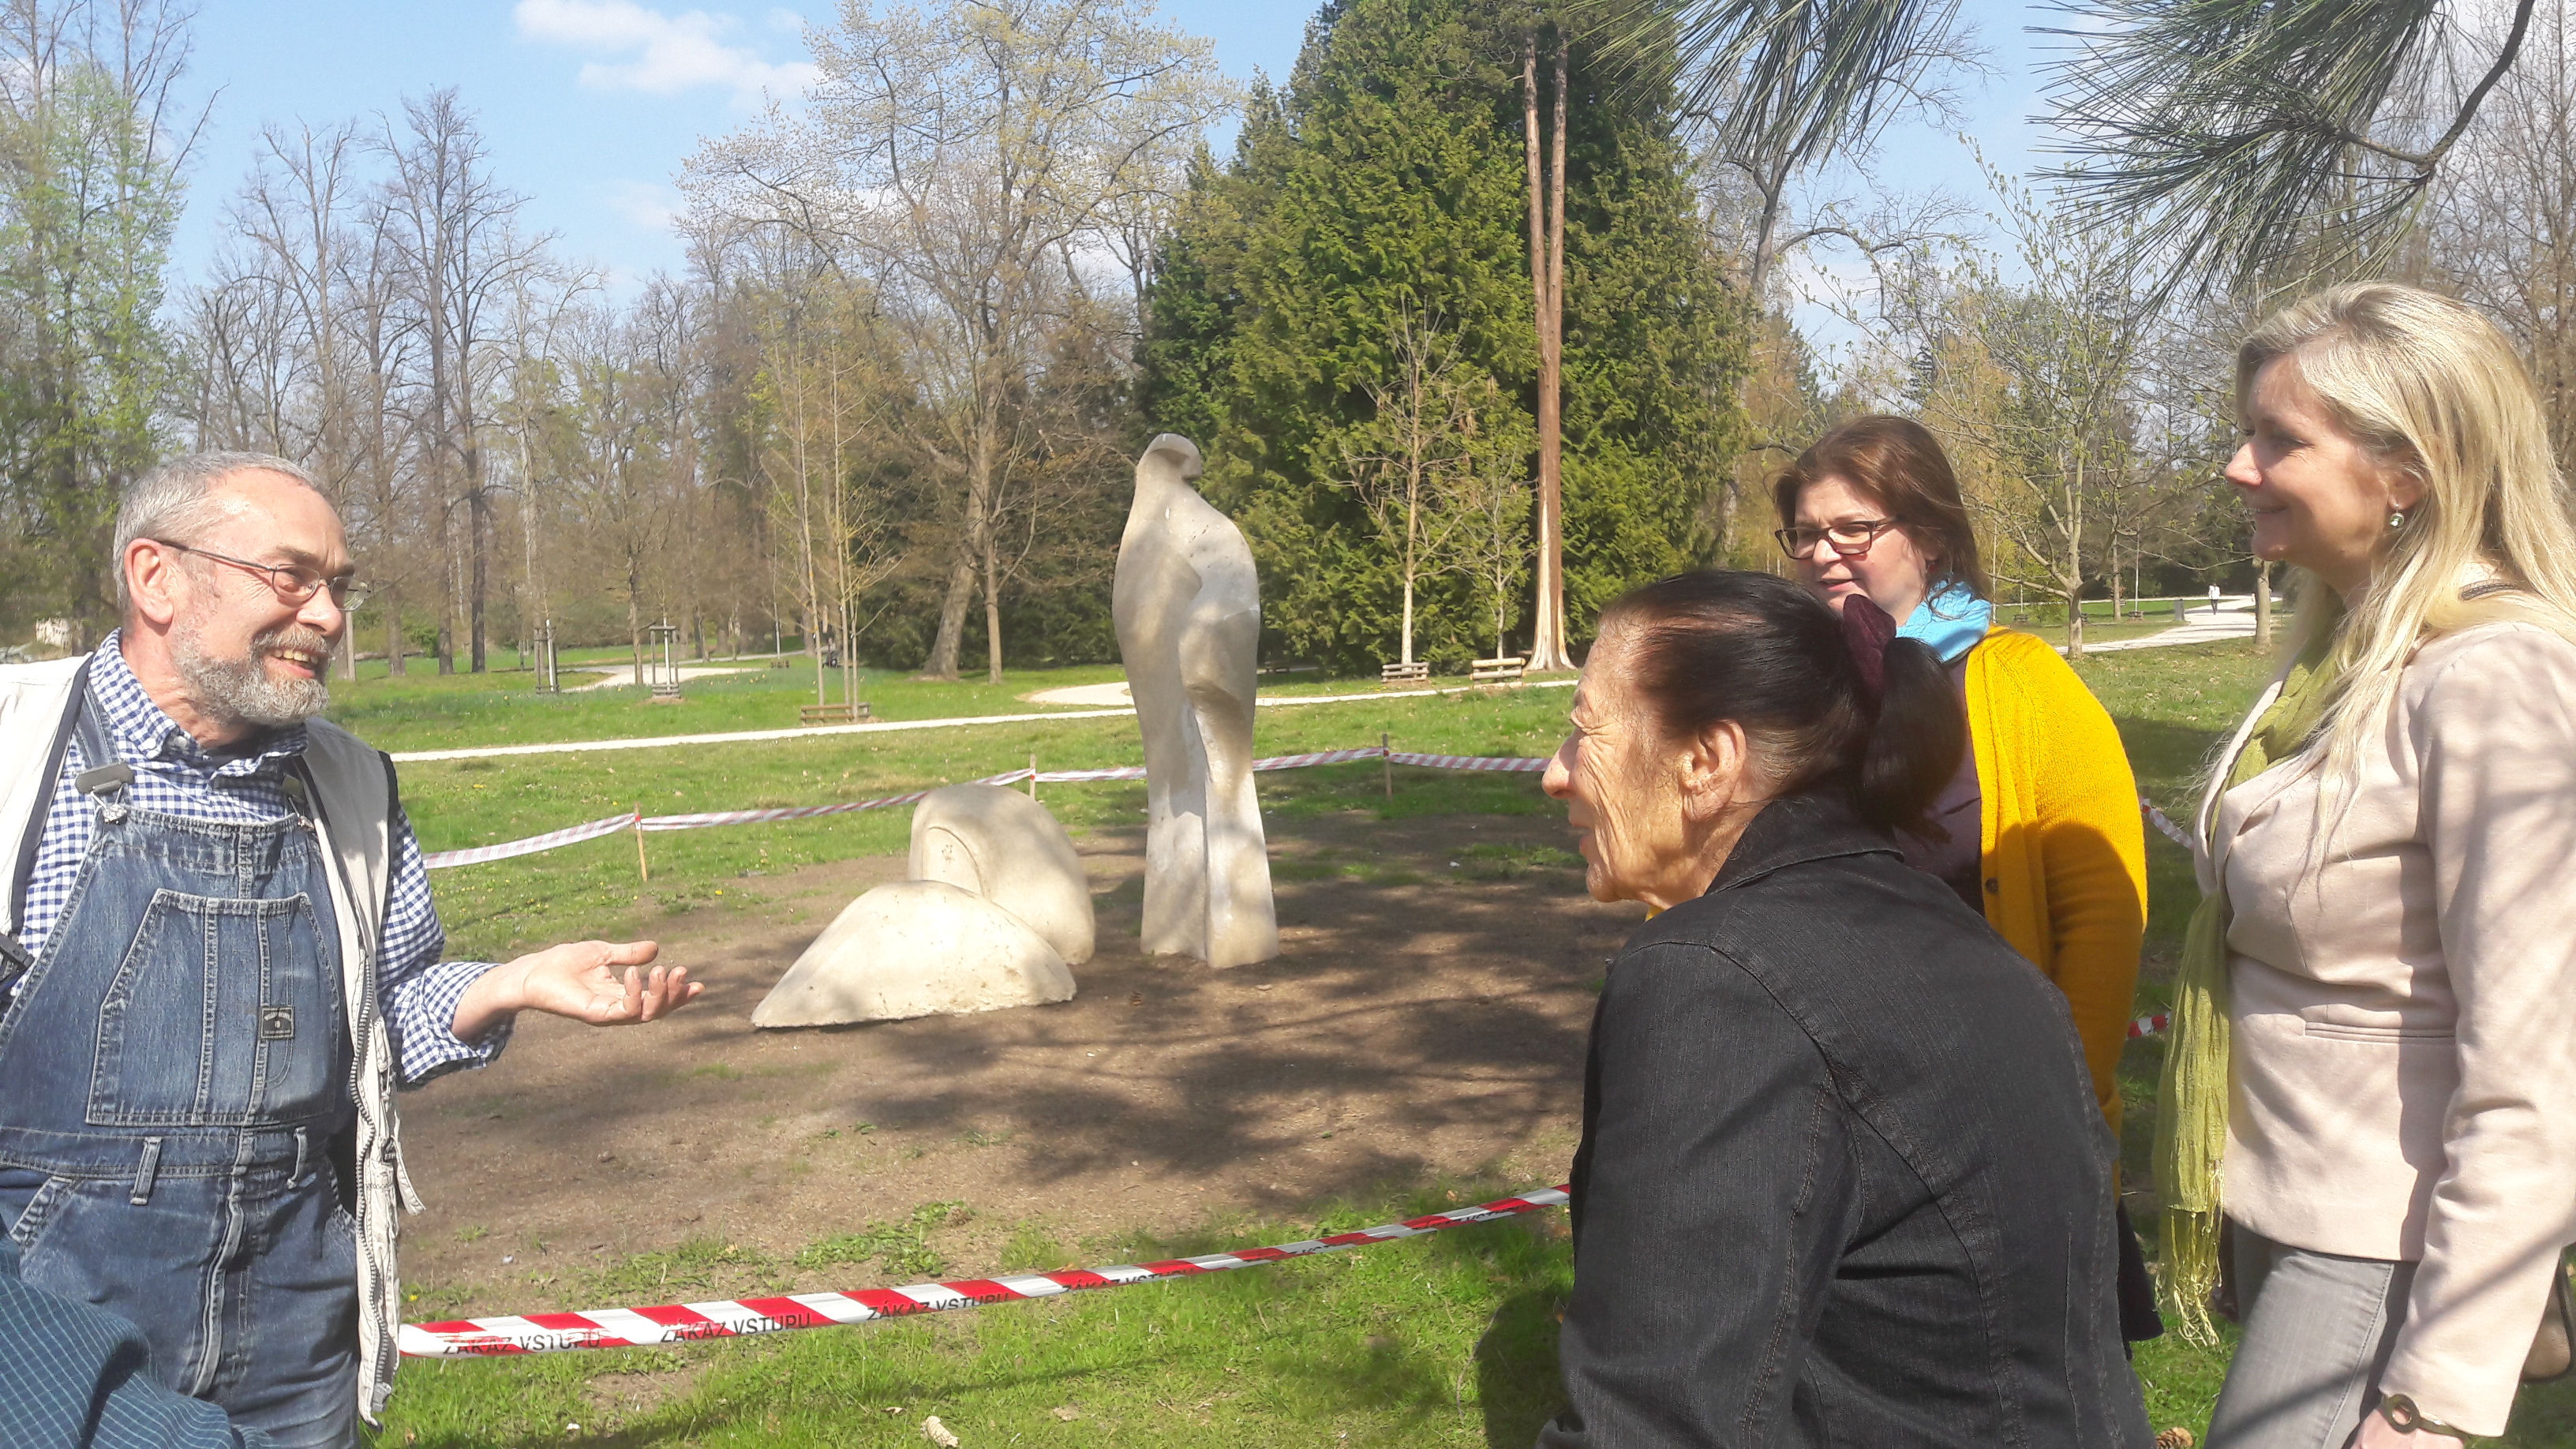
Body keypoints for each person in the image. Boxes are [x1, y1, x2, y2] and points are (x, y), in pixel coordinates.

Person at [0, 452, 706, 1447]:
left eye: (338, 585)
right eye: (291, 576)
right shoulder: (15, 755)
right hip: (53, 1327)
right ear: (155, 577)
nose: (328, 616)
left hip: (298, 1330)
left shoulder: (351, 786)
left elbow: (384, 1012)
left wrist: (507, 986)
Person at [1534, 569, 2151, 1447]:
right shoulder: (1954, 934)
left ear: (1705, 762)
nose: (1554, 775)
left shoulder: (1716, 978)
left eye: (1583, 732)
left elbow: (1657, 1418)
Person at [2159, 283, 2576, 1447]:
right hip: (2295, 1216)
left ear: (2409, 472)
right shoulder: (2344, 663)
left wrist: (2429, 1401)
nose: (2239, 468)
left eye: (2280, 439)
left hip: (2382, 1245)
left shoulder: (2495, 684)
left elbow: (2536, 1078)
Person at [1772, 415, 2159, 1339]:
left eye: (1853, 528)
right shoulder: (1803, 703)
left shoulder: (2019, 684)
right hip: (1853, 1120)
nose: (1825, 553)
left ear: (1931, 536)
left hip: (2012, 1115)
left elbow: (2104, 912)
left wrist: (2068, 1095)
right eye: (1806, 534)